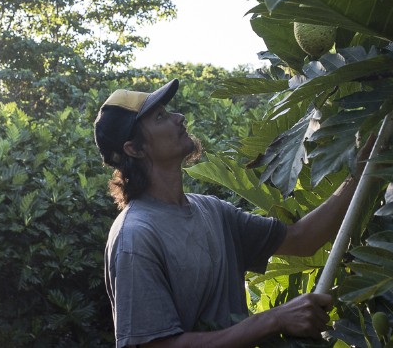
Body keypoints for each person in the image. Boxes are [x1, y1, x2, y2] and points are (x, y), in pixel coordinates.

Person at [94, 78, 373, 348]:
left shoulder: (212, 210)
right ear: (134, 148)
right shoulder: (135, 237)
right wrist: (275, 319)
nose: (178, 118)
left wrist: (363, 168)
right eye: (160, 117)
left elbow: (302, 239)